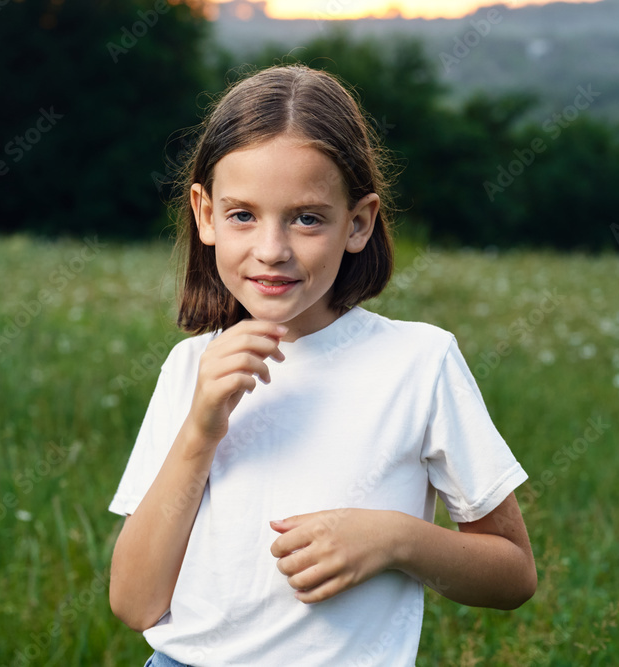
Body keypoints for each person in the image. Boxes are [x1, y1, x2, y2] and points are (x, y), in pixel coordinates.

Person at [108, 64, 536, 667]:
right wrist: (200, 430)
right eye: (242, 215)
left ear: (358, 222)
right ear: (205, 214)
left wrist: (395, 539)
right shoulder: (190, 369)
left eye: (307, 217)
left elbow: (513, 575)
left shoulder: (419, 362)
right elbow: (134, 603)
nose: (272, 249)